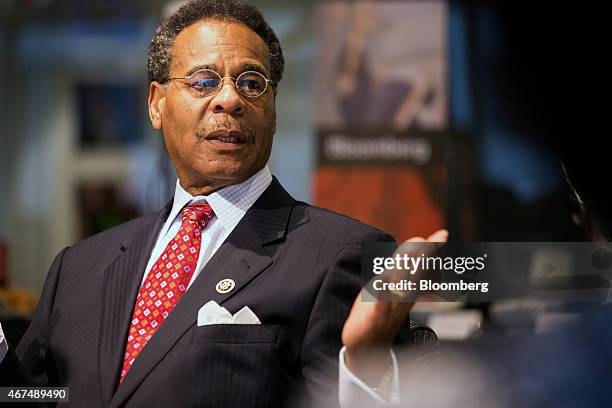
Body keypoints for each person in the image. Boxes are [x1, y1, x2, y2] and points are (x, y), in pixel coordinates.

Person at [0, 1, 445, 406]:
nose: (230, 99)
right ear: (156, 104)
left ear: (271, 106)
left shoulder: (342, 255)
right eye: (203, 81)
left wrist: (364, 368)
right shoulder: (77, 267)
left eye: (251, 82)